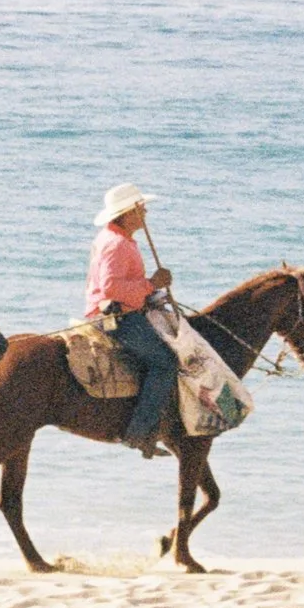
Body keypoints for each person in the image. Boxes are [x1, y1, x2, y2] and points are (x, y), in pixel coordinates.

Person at [85, 183, 177, 444]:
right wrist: (152, 284)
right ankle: (138, 432)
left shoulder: (115, 238)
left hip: (121, 309)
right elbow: (111, 287)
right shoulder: (118, 245)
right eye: (141, 208)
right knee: (165, 363)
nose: (145, 212)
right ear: (127, 213)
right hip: (118, 318)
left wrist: (152, 293)